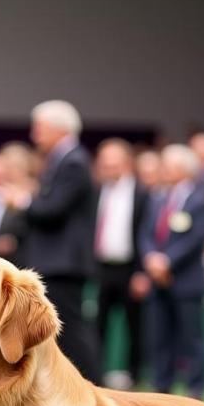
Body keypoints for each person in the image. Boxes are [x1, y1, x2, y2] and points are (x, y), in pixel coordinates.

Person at [6, 100, 101, 383]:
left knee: (71, 329)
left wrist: (23, 200)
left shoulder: (73, 161)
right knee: (66, 329)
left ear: (59, 129)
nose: (35, 134)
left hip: (64, 263)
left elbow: (53, 209)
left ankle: (95, 386)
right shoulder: (65, 159)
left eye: (40, 128)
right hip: (57, 261)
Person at [133, 143, 204, 398]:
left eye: (169, 165)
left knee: (191, 339)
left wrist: (166, 262)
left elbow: (195, 239)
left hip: (185, 281)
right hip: (157, 282)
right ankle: (161, 385)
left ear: (185, 169)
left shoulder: (198, 200)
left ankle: (195, 388)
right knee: (159, 337)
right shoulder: (157, 198)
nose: (163, 169)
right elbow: (145, 233)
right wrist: (151, 259)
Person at [92, 138, 146, 388]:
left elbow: (145, 233)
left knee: (135, 326)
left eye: (113, 164)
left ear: (126, 164)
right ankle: (95, 375)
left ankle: (133, 375)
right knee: (97, 324)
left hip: (130, 268)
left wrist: (141, 271)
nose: (108, 169)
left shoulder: (142, 194)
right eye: (104, 164)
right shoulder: (96, 191)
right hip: (102, 267)